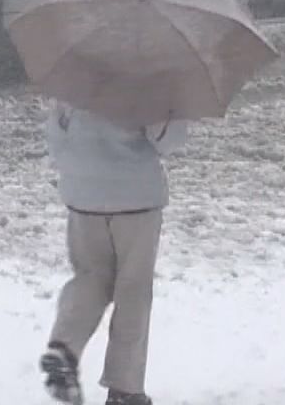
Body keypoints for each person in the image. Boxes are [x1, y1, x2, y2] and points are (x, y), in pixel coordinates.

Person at [38, 102, 188, 405]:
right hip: (136, 201)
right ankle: (125, 388)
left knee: (90, 277)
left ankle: (64, 346)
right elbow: (169, 141)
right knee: (133, 290)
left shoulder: (75, 77)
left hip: (83, 198)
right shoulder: (147, 81)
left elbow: (55, 137)